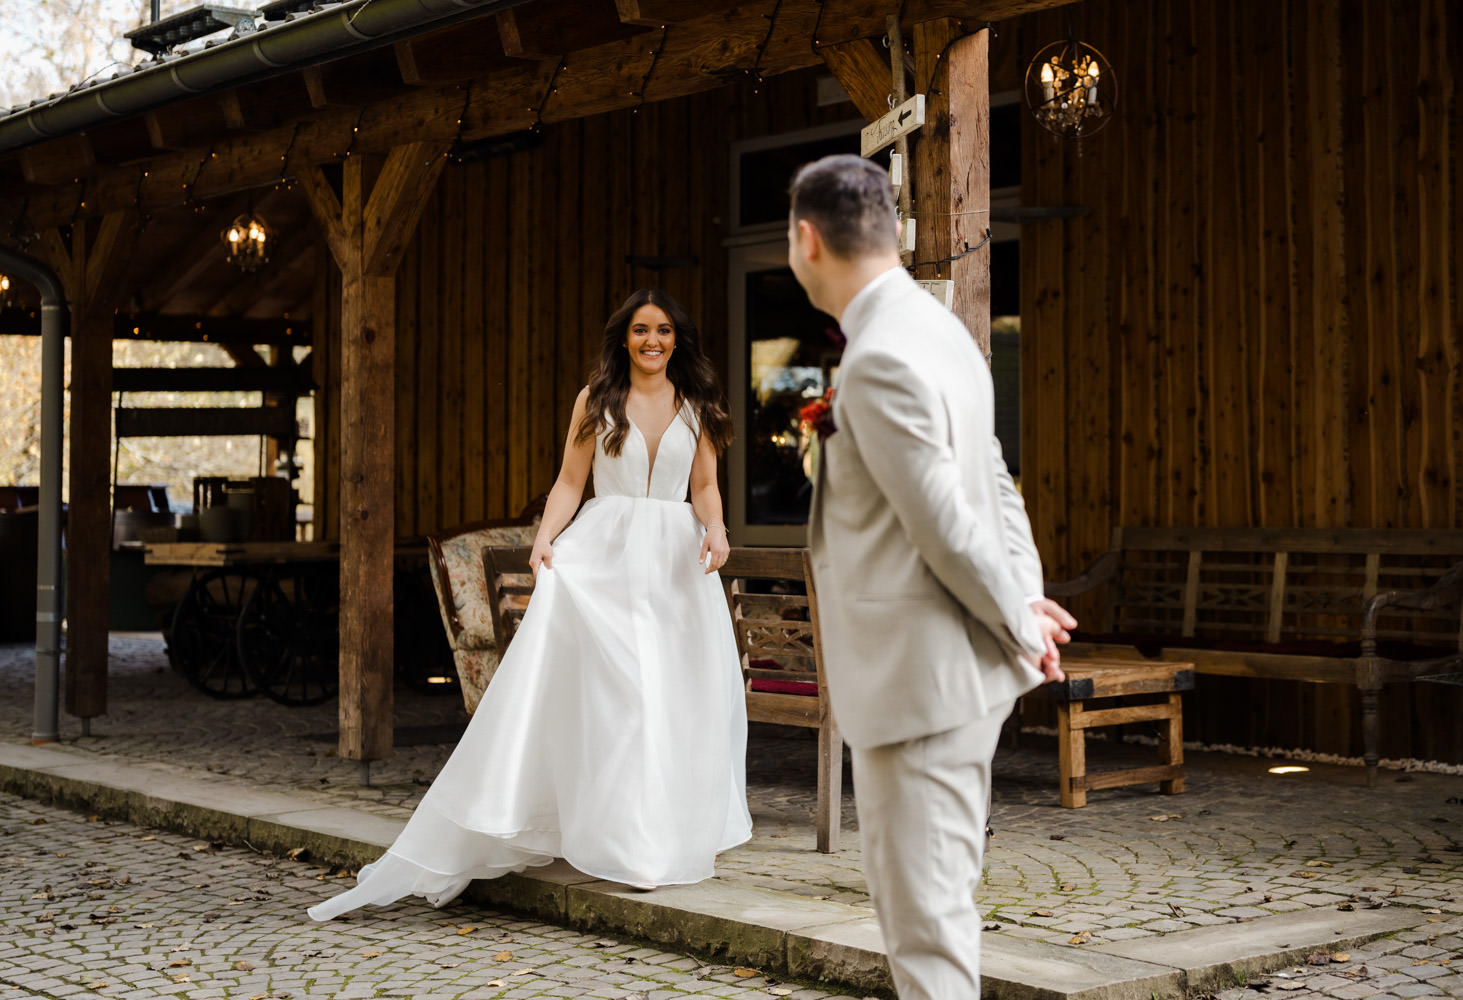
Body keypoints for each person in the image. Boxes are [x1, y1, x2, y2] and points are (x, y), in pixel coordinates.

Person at [307, 289, 752, 920]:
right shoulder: (594, 401)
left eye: (663, 330)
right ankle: (628, 843)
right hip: (607, 562)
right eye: (639, 330)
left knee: (671, 700)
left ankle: (658, 837)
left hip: (676, 569)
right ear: (622, 339)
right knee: (625, 698)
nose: (652, 340)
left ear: (678, 339)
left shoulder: (697, 405)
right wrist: (544, 539)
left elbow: (704, 486)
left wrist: (717, 529)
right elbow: (571, 482)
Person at [786, 154, 1076, 999]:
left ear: (807, 240)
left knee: (926, 934)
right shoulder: (938, 327)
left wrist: (1022, 622)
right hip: (947, 677)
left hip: (919, 687)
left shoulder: (878, 357)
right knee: (932, 916)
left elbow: (946, 523)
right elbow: (993, 480)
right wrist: (1024, 593)